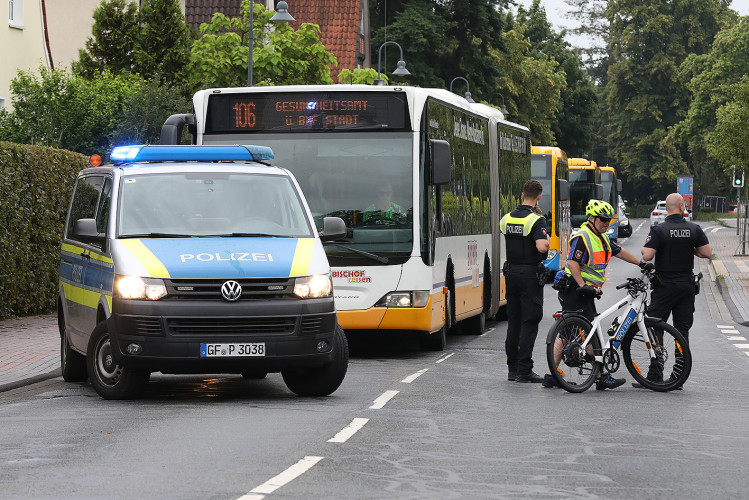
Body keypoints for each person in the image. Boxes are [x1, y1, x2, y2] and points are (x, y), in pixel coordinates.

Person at [546, 199, 654, 390]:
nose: (607, 223)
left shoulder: (602, 237)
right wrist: (582, 285)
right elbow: (572, 263)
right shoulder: (583, 236)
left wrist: (640, 263)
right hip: (574, 289)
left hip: (585, 290)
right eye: (603, 220)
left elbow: (619, 252)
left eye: (609, 220)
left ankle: (557, 375)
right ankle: (599, 375)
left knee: (574, 332)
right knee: (579, 332)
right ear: (593, 218)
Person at [636, 193, 711, 389]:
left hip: (665, 287)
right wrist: (691, 249)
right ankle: (678, 376)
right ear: (682, 207)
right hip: (686, 286)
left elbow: (647, 254)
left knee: (655, 327)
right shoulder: (694, 229)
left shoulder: (659, 230)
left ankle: (655, 374)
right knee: (681, 330)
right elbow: (707, 252)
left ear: (667, 209)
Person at [499, 180, 550, 383]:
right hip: (530, 276)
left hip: (511, 274)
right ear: (539, 196)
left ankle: (512, 369)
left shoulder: (506, 218)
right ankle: (525, 370)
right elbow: (542, 247)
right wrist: (544, 236)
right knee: (530, 321)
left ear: (522, 195)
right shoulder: (536, 220)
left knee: (514, 321)